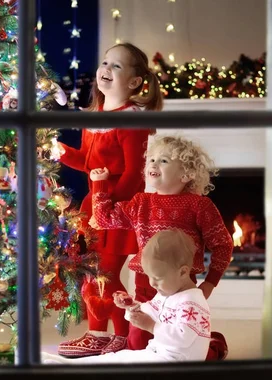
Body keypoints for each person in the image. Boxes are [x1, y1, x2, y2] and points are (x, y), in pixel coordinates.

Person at [52, 42, 163, 358]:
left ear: (134, 82)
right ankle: (120, 334)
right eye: (104, 63)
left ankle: (102, 334)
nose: (105, 70)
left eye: (116, 65)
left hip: (118, 209)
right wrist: (58, 150)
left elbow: (133, 174)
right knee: (93, 273)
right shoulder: (94, 117)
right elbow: (87, 162)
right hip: (94, 204)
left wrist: (109, 209)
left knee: (103, 275)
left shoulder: (131, 120)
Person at [89, 135, 234, 355]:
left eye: (164, 161)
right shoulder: (140, 203)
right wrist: (99, 183)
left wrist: (210, 282)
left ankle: (213, 345)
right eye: (152, 160)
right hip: (146, 284)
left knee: (180, 345)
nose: (154, 164)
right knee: (137, 345)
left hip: (182, 285)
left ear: (187, 174)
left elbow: (223, 245)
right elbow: (103, 219)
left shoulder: (199, 206)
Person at [43, 229, 211, 364]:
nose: (152, 283)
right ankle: (62, 364)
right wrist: (131, 306)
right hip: (158, 355)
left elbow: (182, 339)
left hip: (177, 364)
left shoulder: (192, 302)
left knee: (122, 367)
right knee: (116, 358)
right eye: (149, 277)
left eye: (157, 278)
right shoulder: (167, 293)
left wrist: (151, 326)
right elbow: (148, 310)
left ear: (183, 272)